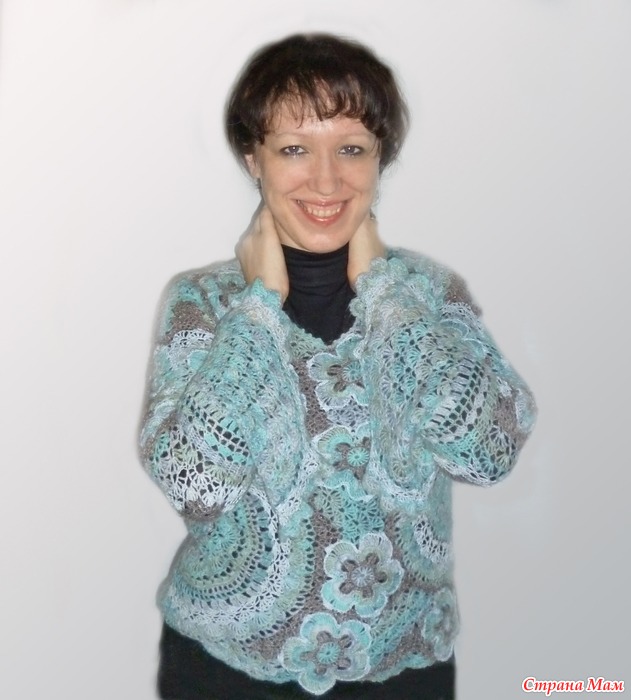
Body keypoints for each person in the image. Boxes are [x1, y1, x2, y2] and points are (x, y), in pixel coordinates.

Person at [139, 33, 536, 700]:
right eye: (294, 149)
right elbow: (196, 486)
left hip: (405, 665)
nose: (326, 181)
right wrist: (259, 305)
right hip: (226, 669)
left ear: (380, 158)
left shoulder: (428, 296)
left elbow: (486, 453)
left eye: (351, 149)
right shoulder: (203, 304)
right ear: (253, 159)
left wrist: (385, 293)